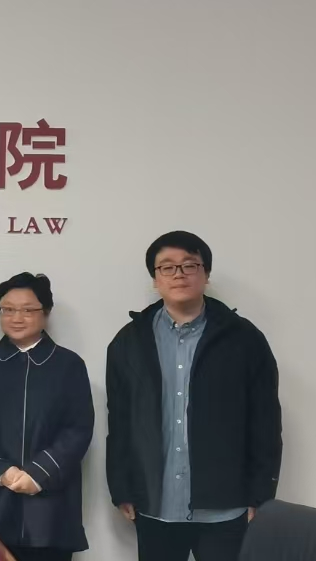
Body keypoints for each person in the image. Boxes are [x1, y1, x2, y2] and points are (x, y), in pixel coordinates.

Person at [106, 231, 282, 561]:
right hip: (154, 502)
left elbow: (265, 422)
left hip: (225, 505)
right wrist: (121, 487)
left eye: (190, 265)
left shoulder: (244, 339)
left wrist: (261, 493)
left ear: (206, 274)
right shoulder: (129, 342)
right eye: (167, 267)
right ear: (155, 279)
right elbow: (120, 422)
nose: (179, 274)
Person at [0, 273, 93, 561]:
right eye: (8, 309)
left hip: (48, 506)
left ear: (46, 313)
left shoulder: (69, 365)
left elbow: (78, 429)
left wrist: (38, 474)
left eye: (28, 310)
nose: (17, 317)